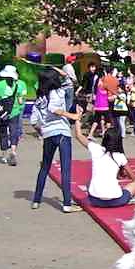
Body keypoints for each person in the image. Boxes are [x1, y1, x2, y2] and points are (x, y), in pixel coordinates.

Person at [30, 69, 82, 213]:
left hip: (48, 134)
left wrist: (42, 132)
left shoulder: (39, 99)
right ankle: (67, 204)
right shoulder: (58, 92)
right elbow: (54, 108)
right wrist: (72, 116)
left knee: (45, 167)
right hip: (62, 132)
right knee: (66, 169)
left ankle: (36, 200)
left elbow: (33, 121)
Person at [73, 126, 135, 207]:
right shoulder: (120, 156)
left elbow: (79, 136)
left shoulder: (96, 148)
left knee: (89, 182)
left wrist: (77, 121)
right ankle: (129, 198)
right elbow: (133, 178)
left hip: (95, 200)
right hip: (116, 201)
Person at [0, 65, 27, 166]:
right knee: (14, 131)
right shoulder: (20, 84)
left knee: (3, 132)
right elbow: (20, 101)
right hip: (14, 112)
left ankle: (4, 155)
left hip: (2, 112)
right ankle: (13, 151)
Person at [88, 71, 112, 139]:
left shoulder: (96, 84)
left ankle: (90, 134)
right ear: (103, 76)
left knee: (96, 121)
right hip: (104, 106)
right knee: (108, 121)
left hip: (97, 106)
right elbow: (111, 92)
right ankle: (107, 134)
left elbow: (94, 95)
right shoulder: (104, 84)